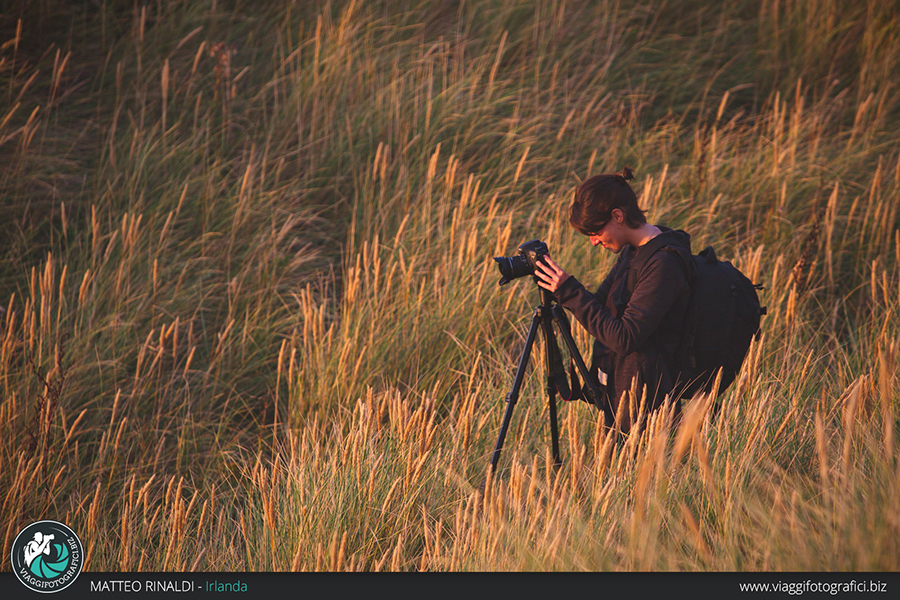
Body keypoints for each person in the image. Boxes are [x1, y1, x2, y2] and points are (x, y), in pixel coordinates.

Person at [534, 167, 694, 433]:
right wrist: (561, 289)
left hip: (647, 408)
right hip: (623, 395)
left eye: (595, 233)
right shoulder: (634, 252)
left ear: (617, 216)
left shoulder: (663, 263)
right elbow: (601, 305)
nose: (594, 242)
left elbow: (624, 337)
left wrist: (571, 292)